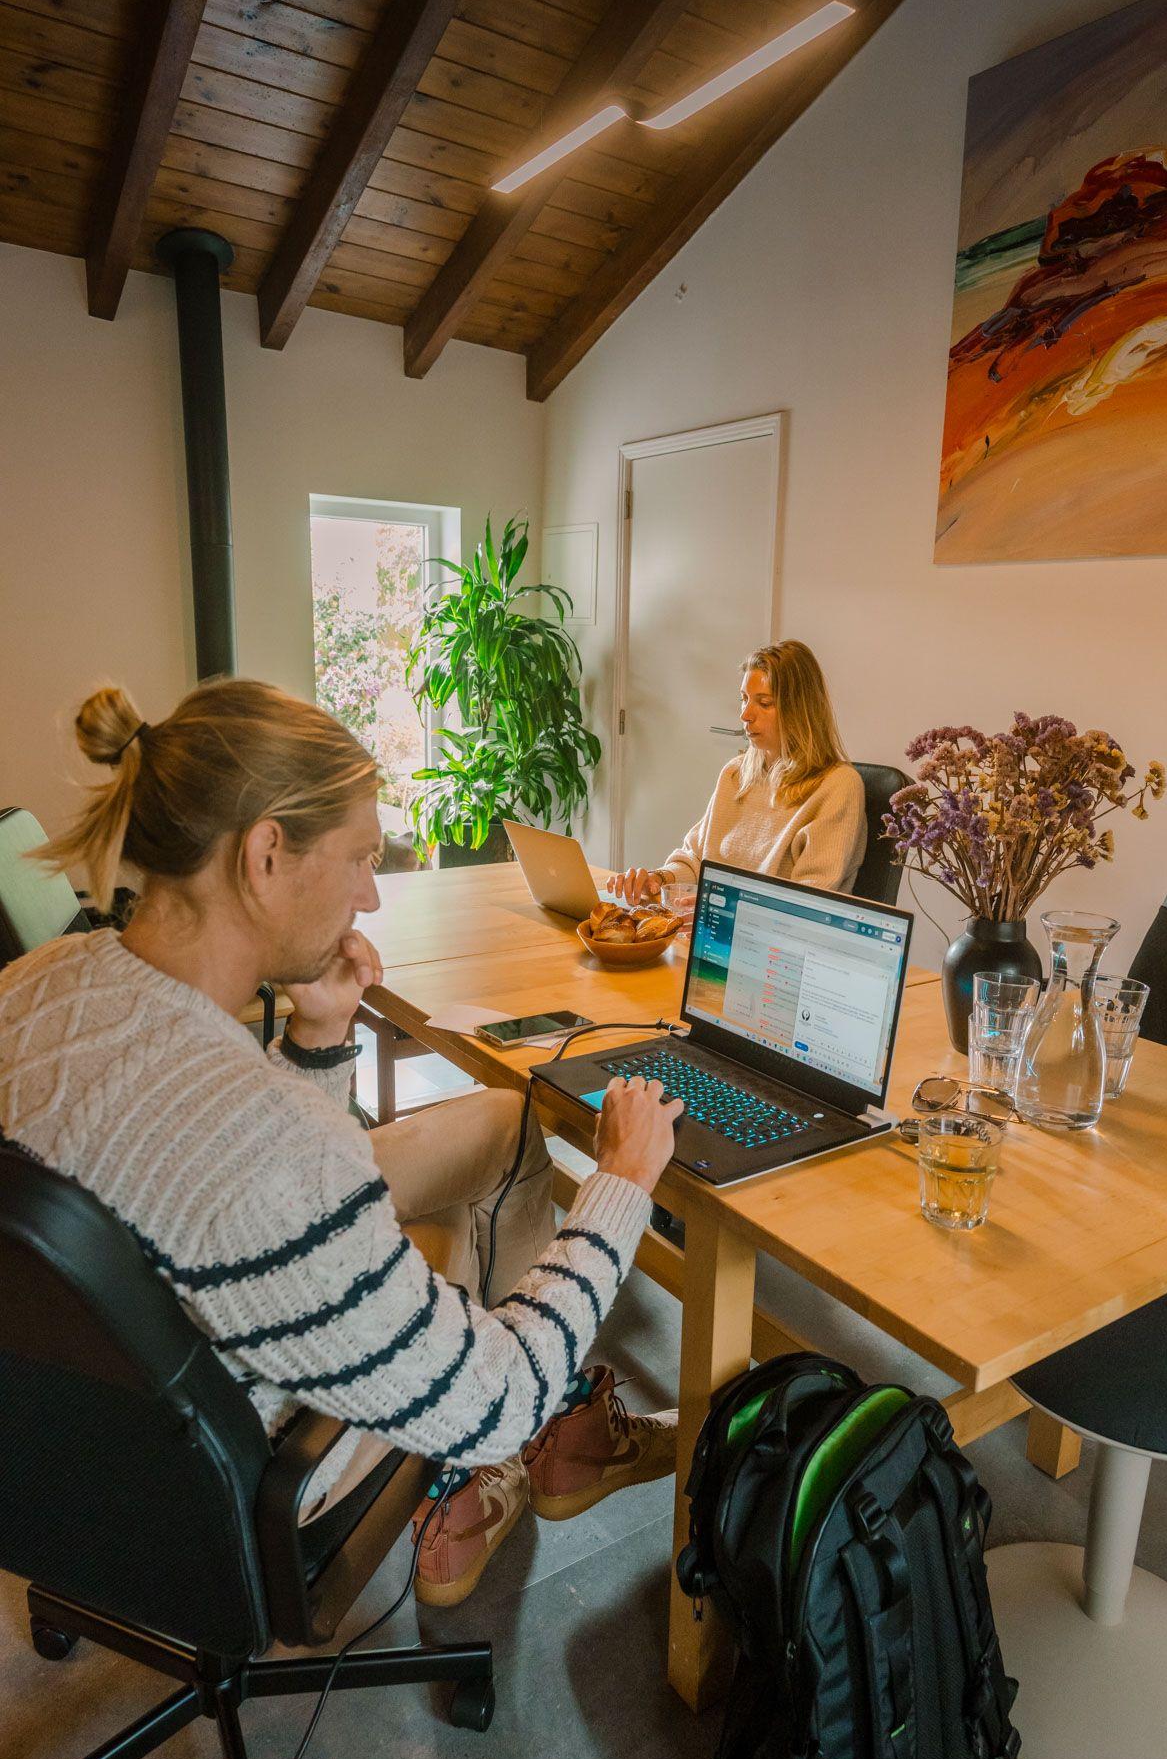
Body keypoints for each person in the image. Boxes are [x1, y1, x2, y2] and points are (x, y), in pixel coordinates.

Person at [0, 679, 683, 1610]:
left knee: (504, 1121)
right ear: (265, 854)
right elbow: (499, 1390)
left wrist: (320, 1040)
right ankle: (488, 1475)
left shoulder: (45, 979)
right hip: (245, 1476)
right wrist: (622, 1179)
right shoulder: (273, 1152)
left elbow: (241, 1170)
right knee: (468, 1301)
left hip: (51, 1421)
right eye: (361, 858)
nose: (369, 892)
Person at [609, 640, 867, 905]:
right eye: (744, 699)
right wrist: (660, 881)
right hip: (710, 929)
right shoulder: (735, 774)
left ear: (800, 710)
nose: (745, 715)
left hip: (772, 943)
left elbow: (805, 902)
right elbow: (695, 860)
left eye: (764, 703)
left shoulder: (838, 786)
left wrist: (714, 904)